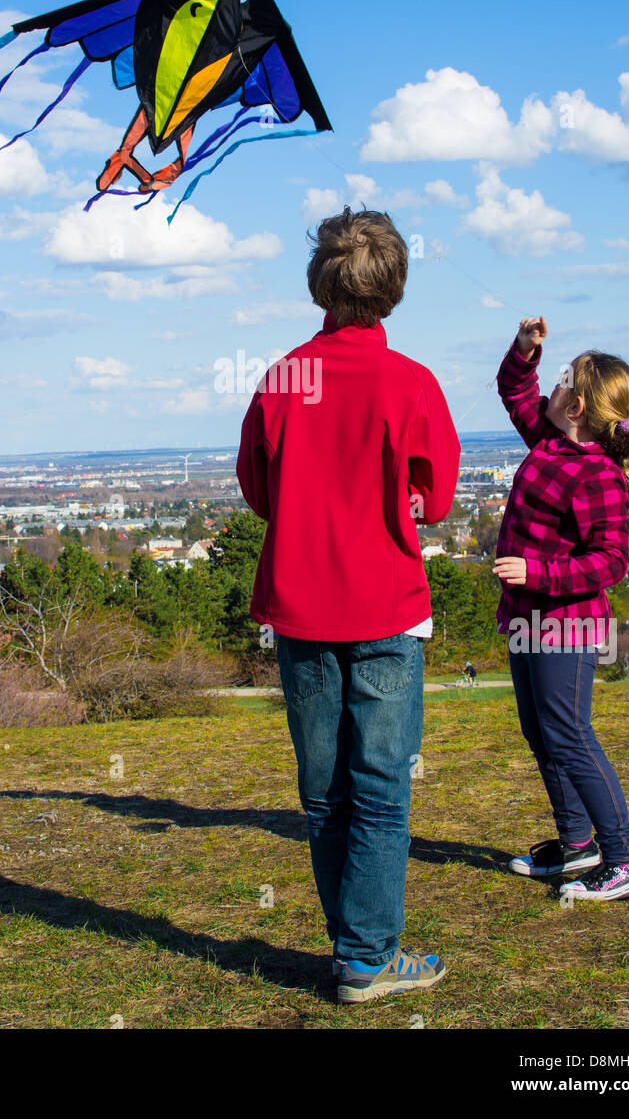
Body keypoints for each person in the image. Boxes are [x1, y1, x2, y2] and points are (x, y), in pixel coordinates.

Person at [236, 207, 460, 1002]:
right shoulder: (412, 383)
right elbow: (434, 504)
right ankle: (366, 956)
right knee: (381, 786)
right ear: (393, 286)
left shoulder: (285, 378)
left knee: (322, 788)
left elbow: (260, 491)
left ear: (319, 284)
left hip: (300, 606)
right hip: (387, 607)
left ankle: (354, 949)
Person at [493, 315, 629, 902]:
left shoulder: (601, 476)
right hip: (527, 618)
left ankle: (624, 859)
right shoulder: (550, 440)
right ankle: (577, 845)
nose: (550, 387)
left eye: (560, 379)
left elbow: (610, 562)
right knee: (541, 731)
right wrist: (524, 350)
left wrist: (537, 572)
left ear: (578, 406)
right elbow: (515, 391)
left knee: (571, 736)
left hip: (568, 626)